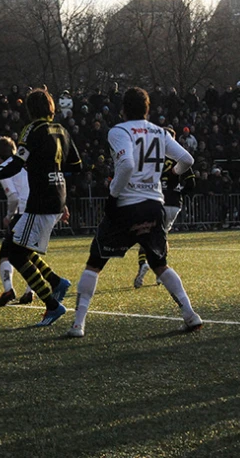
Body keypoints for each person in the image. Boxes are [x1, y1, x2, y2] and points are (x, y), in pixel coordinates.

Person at [66, 87, 202, 338]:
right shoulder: (160, 132)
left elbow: (127, 164)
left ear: (123, 109)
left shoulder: (119, 131)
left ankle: (78, 324)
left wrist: (113, 196)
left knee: (95, 262)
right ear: (147, 109)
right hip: (153, 205)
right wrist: (173, 173)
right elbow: (188, 159)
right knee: (160, 264)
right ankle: (190, 314)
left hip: (127, 205)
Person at [0, 88, 81, 327]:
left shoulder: (33, 129)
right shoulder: (62, 130)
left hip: (41, 201)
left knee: (14, 253)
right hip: (57, 195)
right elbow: (76, 165)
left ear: (31, 110)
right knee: (19, 246)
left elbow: (16, 163)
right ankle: (56, 282)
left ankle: (52, 305)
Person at [133, 127, 196, 288]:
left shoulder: (152, 155)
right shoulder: (179, 156)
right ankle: (161, 273)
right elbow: (191, 183)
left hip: (156, 201)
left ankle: (144, 265)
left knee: (144, 236)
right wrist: (180, 190)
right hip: (174, 203)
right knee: (163, 236)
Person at [0, 136, 35, 307]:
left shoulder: (4, 167)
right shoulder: (24, 164)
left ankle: (9, 289)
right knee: (29, 253)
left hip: (23, 212)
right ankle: (29, 291)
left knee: (5, 254)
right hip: (36, 209)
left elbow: (13, 196)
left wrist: (9, 216)